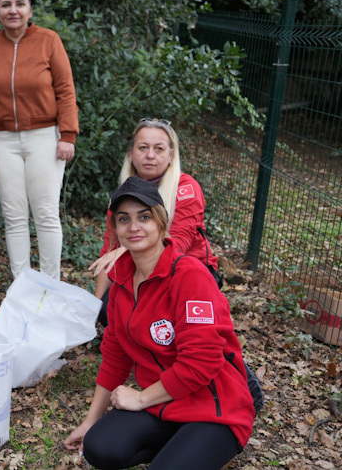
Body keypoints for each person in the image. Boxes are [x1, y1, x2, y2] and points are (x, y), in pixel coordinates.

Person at [64, 176, 255, 470]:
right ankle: (179, 445)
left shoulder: (190, 275)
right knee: (99, 447)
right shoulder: (121, 280)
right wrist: (90, 421)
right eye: (124, 219)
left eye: (144, 217)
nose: (134, 226)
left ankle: (198, 446)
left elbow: (201, 364)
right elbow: (115, 354)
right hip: (165, 404)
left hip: (215, 410)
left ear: (161, 223)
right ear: (116, 229)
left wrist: (140, 398)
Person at [0, 0, 79, 281]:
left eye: (20, 4)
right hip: (2, 141)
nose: (13, 10)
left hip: (44, 139)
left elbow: (65, 89)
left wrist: (68, 135)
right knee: (14, 216)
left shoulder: (49, 41)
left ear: (31, 9)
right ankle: (22, 284)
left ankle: (50, 284)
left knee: (46, 214)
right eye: (6, 4)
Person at [91, 118, 220, 325]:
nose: (150, 155)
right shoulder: (122, 194)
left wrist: (123, 251)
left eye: (159, 149)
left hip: (189, 270)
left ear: (171, 156)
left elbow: (179, 244)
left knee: (164, 314)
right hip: (141, 270)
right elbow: (110, 251)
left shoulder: (186, 189)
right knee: (109, 310)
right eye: (143, 148)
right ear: (131, 154)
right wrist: (96, 307)